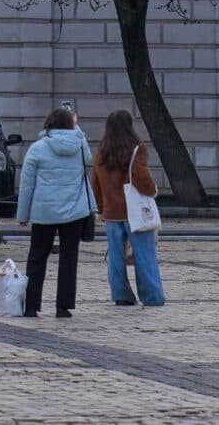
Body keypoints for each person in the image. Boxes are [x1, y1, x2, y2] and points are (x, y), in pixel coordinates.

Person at [14, 106, 95, 320]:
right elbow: (89, 158)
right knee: (69, 258)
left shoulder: (38, 148)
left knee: (37, 257)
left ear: (48, 124)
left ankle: (31, 306)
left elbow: (27, 186)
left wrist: (23, 215)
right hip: (74, 211)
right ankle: (63, 307)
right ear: (71, 124)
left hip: (44, 211)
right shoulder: (79, 146)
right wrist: (77, 128)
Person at [95, 110, 165, 309]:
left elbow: (96, 184)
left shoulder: (101, 151)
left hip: (111, 212)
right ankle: (152, 296)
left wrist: (100, 209)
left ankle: (121, 294)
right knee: (144, 255)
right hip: (134, 212)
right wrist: (153, 190)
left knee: (116, 257)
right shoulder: (137, 150)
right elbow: (142, 178)